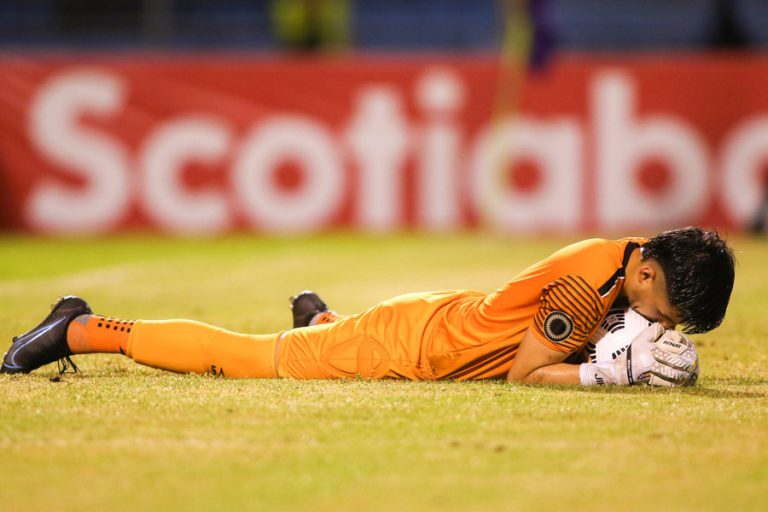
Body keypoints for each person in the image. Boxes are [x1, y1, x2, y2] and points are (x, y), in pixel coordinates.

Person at [1, 227, 734, 387]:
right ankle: (84, 326)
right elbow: (525, 377)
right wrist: (612, 376)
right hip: (409, 346)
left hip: (434, 327)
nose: (664, 323)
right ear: (643, 270)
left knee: (329, 341)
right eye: (666, 308)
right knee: (244, 358)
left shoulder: (622, 268)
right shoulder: (586, 284)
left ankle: (321, 319)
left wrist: (637, 348)